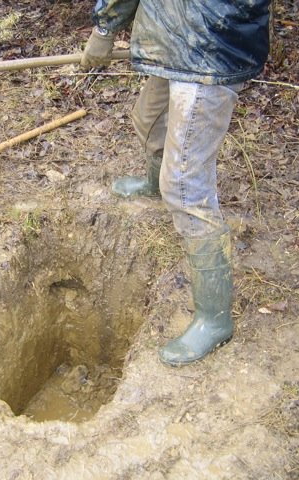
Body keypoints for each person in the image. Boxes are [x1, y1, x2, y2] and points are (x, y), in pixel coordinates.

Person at [81, 1, 271, 367]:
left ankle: (214, 319)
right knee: (149, 120)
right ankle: (156, 185)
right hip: (175, 38)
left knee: (186, 185)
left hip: (209, 46)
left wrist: (105, 26)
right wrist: (107, 29)